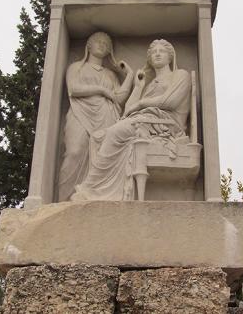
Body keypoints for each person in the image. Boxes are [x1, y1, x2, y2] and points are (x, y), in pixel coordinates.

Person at [74, 39, 191, 201]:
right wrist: (139, 86)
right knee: (98, 136)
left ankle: (90, 187)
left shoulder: (180, 75)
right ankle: (102, 190)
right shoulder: (150, 85)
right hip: (146, 121)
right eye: (153, 52)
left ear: (170, 57)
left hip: (166, 125)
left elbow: (169, 101)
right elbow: (129, 109)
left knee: (114, 132)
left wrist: (142, 103)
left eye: (161, 51)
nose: (157, 54)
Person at [58, 32, 133, 201]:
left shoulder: (110, 75)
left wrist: (129, 75)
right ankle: (62, 199)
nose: (102, 45)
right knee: (74, 151)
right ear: (88, 45)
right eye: (98, 41)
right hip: (80, 113)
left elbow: (119, 98)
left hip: (107, 116)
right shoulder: (76, 67)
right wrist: (101, 90)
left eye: (106, 44)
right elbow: (73, 89)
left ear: (109, 51)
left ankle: (90, 195)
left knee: (102, 157)